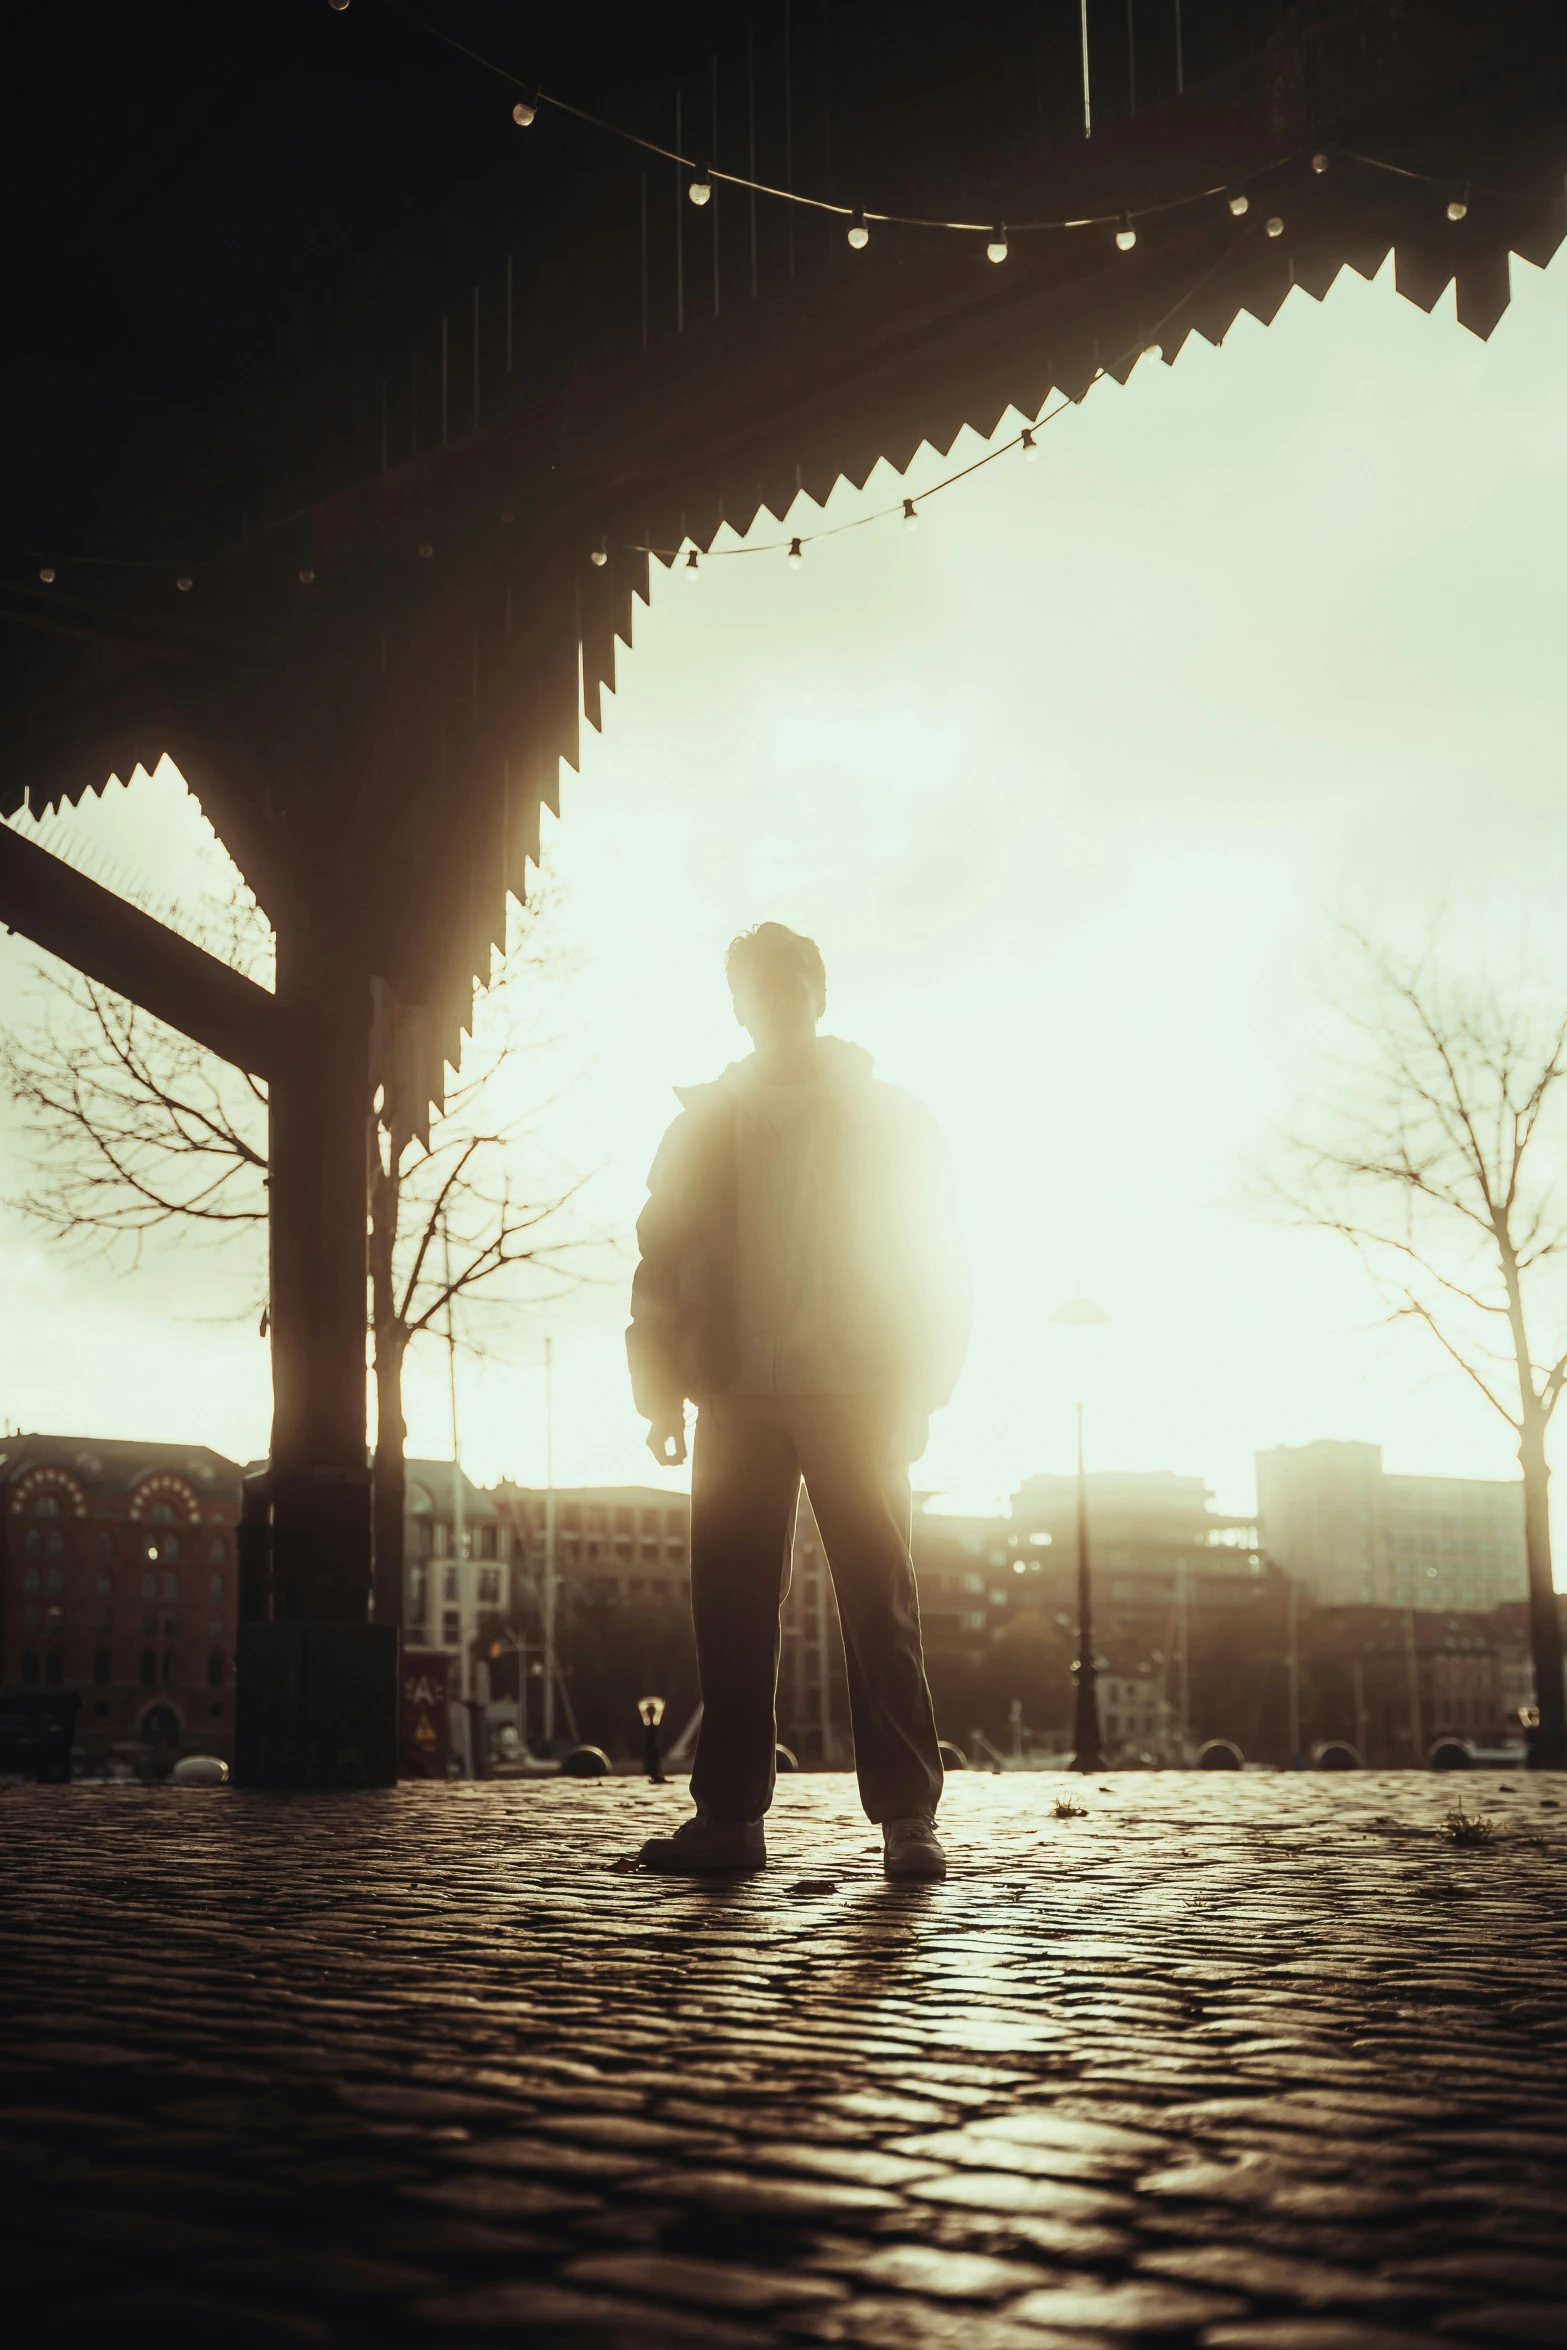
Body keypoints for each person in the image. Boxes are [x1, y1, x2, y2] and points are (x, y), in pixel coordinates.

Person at [625, 921, 968, 1879]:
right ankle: (730, 1820)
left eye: (788, 988)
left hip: (857, 1391)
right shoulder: (699, 1127)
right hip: (733, 1394)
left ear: (818, 993)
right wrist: (658, 1393)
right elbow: (659, 1260)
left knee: (879, 1605)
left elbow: (938, 1259)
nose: (771, 1006)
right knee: (729, 1611)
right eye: (755, 993)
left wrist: (923, 1390)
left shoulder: (890, 1120)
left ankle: (907, 1821)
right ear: (738, 1004)